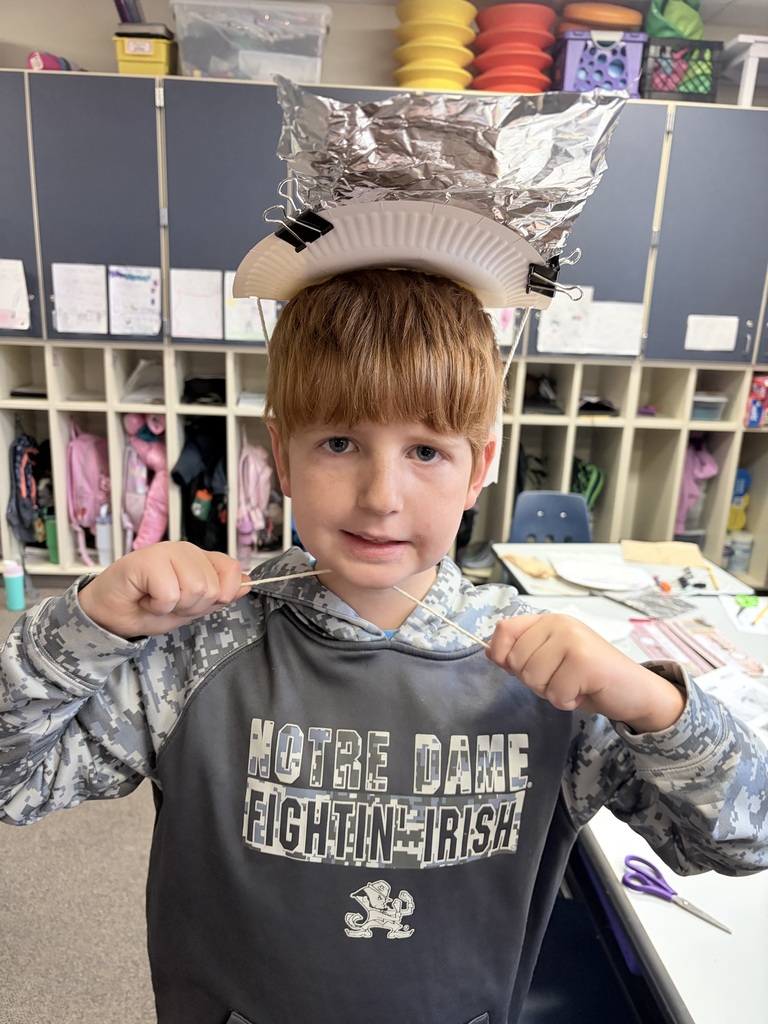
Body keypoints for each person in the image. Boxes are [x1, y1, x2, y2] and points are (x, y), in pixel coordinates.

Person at [1, 268, 766, 1024]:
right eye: (340, 442)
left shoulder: (544, 673)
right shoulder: (197, 647)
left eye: (427, 452)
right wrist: (87, 622)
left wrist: (654, 701)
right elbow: (14, 782)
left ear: (480, 470)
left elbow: (742, 844)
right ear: (283, 454)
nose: (381, 496)